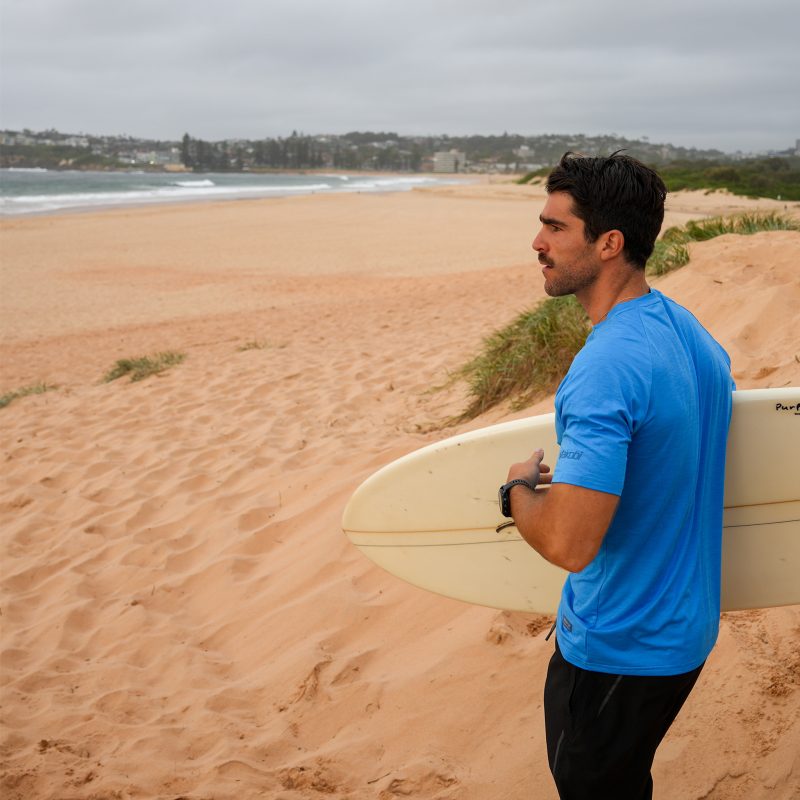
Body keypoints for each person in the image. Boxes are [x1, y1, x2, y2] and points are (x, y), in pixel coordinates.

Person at [497, 152, 735, 799]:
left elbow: (572, 544)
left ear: (608, 243)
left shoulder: (606, 368)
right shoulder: (688, 334)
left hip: (619, 646)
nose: (538, 243)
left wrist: (518, 490)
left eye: (555, 228)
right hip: (685, 632)